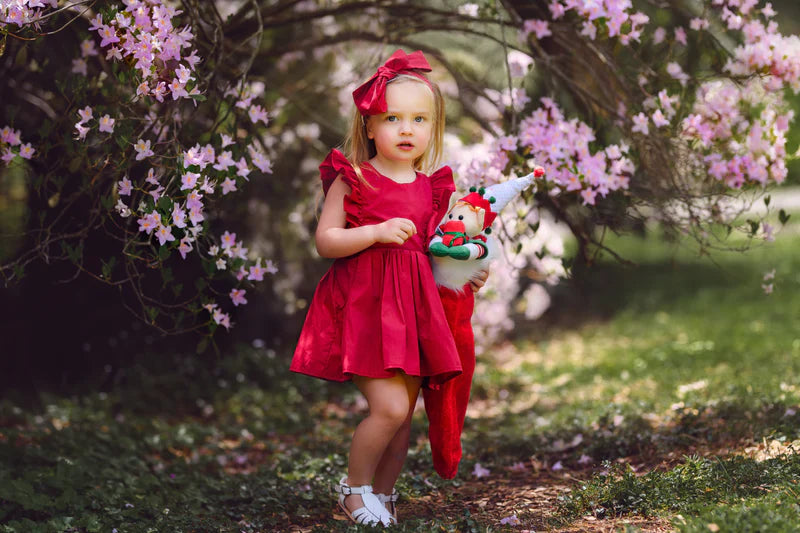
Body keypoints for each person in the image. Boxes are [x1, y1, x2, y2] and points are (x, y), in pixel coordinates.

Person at [290, 49, 487, 527]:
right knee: (389, 407)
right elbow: (326, 242)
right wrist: (375, 233)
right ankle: (353, 492)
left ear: (433, 127)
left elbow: (442, 250)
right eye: (392, 118)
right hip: (365, 311)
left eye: (419, 119)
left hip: (415, 315)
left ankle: (382, 497)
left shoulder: (433, 188)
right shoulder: (354, 179)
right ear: (369, 127)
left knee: (402, 421)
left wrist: (469, 272)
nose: (406, 129)